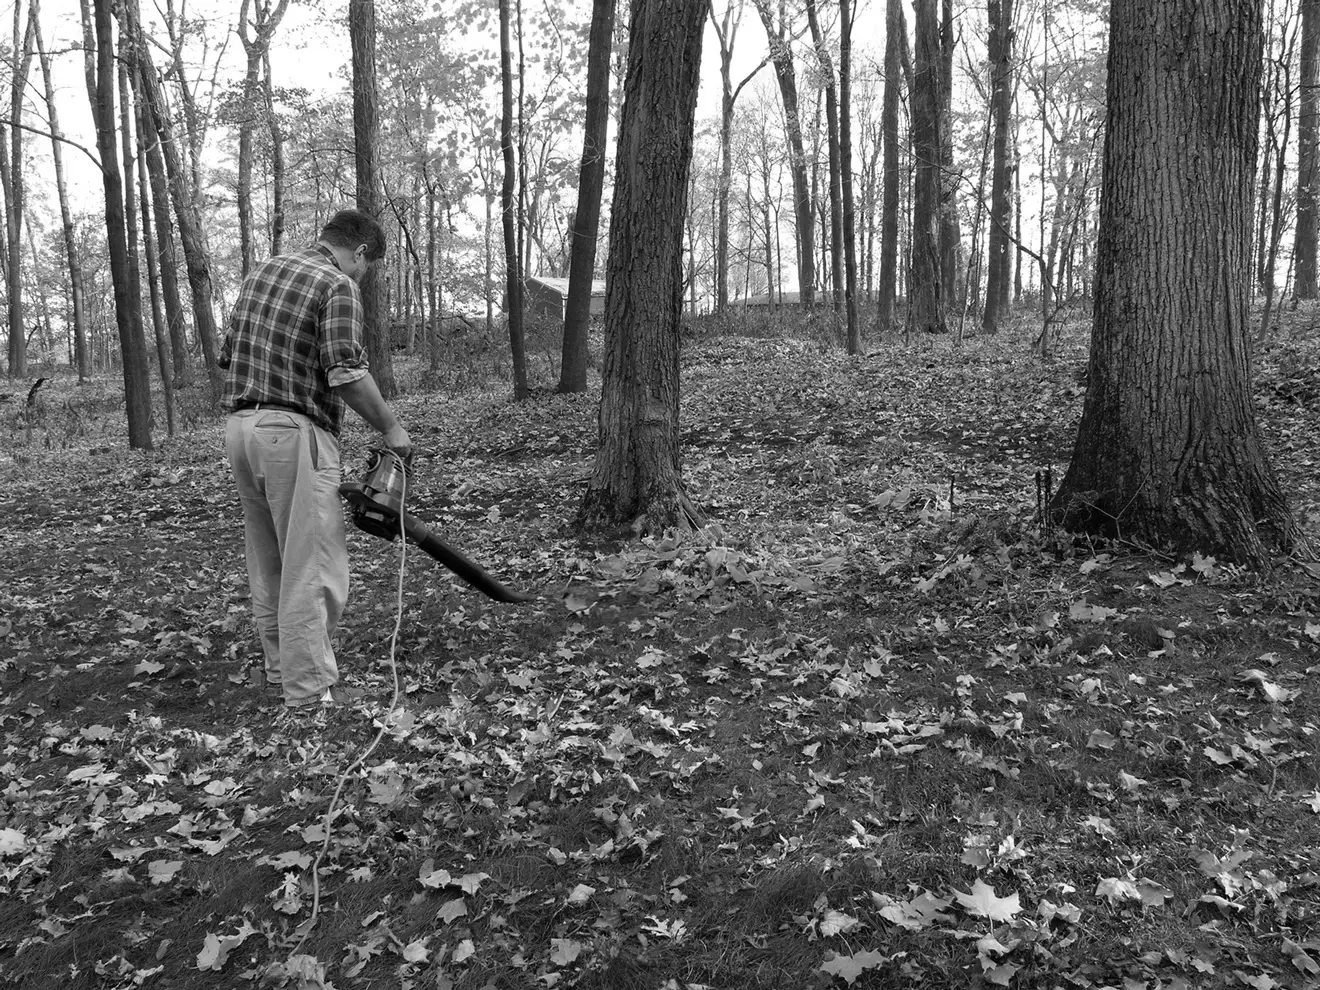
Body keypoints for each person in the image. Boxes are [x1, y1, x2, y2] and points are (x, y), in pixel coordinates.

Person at [219, 208, 412, 709]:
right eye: (367, 267)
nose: (362, 277)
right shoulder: (335, 284)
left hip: (241, 429)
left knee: (271, 559)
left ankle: (283, 671)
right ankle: (309, 692)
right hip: (291, 432)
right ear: (361, 252)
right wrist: (391, 428)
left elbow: (228, 354)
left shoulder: (262, 271)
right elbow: (345, 371)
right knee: (312, 561)